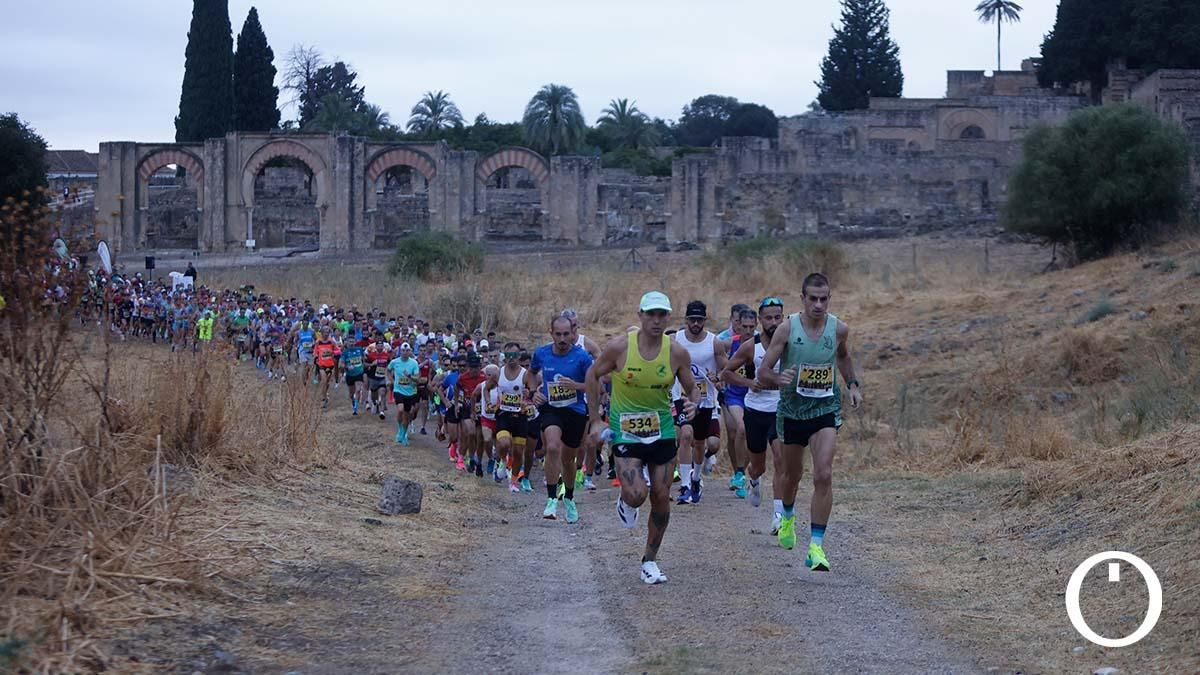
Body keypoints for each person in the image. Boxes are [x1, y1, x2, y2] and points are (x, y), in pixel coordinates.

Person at [586, 291, 699, 584]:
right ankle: (626, 500)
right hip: (626, 431)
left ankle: (650, 560)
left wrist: (693, 403)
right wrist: (595, 419)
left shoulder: (676, 352)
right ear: (640, 315)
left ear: (668, 317)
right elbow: (592, 375)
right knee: (637, 495)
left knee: (661, 496)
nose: (656, 320)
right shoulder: (620, 347)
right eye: (651, 314)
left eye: (662, 315)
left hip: (662, 430)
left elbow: (692, 387)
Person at [758, 274, 864, 572]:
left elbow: (843, 357)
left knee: (824, 474)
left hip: (824, 409)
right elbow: (764, 371)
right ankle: (787, 515)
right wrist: (778, 377)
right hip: (792, 412)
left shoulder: (839, 328)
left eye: (824, 299)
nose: (818, 304)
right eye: (813, 299)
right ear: (802, 299)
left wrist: (853, 385)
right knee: (792, 476)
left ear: (829, 299)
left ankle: (816, 546)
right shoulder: (787, 328)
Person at [721, 298, 787, 533]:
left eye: (777, 317)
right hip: (756, 411)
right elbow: (726, 373)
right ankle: (754, 480)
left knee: (781, 460)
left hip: (781, 410)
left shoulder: (790, 344)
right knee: (758, 466)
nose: (773, 322)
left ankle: (778, 514)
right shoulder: (751, 346)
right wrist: (749, 383)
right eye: (768, 318)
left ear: (783, 318)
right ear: (761, 320)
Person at [526, 317, 594, 522]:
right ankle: (551, 499)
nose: (563, 339)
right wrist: (533, 392)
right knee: (553, 447)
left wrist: (577, 386)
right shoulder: (542, 353)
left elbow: (595, 384)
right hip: (551, 408)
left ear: (572, 333)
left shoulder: (582, 357)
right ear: (551, 333)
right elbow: (531, 373)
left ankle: (569, 497)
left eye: (566, 334)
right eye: (558, 334)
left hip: (575, 410)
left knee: (568, 459)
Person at [672, 300, 728, 505]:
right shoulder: (675, 340)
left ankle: (695, 478)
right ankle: (685, 485)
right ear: (686, 319)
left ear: (705, 320)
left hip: (705, 400)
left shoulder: (714, 343)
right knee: (686, 435)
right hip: (682, 397)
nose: (695, 323)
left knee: (701, 443)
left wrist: (718, 378)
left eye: (699, 320)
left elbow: (726, 370)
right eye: (692, 319)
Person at [491, 343, 529, 493]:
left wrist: (529, 396)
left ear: (519, 356)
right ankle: (502, 461)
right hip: (503, 414)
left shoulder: (525, 374)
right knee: (504, 443)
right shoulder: (498, 373)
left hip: (520, 416)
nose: (511, 358)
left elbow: (535, 389)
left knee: (518, 452)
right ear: (504, 357)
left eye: (514, 355)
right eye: (508, 355)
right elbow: (486, 388)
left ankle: (513, 482)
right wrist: (488, 401)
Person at [387, 343, 421, 445]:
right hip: (398, 390)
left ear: (410, 352)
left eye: (407, 351)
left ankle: (403, 433)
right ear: (400, 352)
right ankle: (400, 429)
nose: (405, 353)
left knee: (407, 415)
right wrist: (390, 380)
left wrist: (409, 376)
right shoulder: (395, 362)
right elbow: (388, 370)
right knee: (400, 410)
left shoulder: (414, 363)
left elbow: (417, 379)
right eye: (403, 351)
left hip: (410, 392)